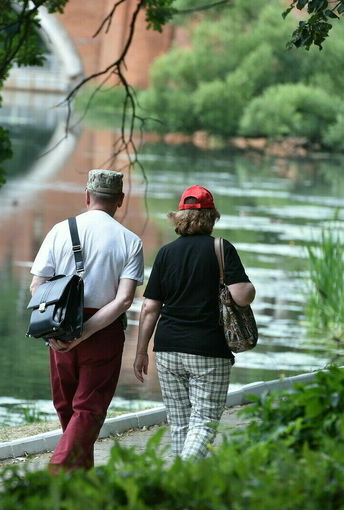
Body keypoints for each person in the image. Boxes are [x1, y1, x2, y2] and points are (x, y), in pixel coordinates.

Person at [30, 169, 144, 472]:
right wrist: (85, 333)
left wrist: (54, 331)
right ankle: (61, 473)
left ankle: (73, 476)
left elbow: (37, 286)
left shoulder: (59, 230)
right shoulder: (130, 241)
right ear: (120, 200)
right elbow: (124, 300)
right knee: (89, 408)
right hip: (104, 330)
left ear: (87, 196)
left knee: (66, 405)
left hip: (60, 324)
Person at [132, 185, 255, 460]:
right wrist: (248, 288)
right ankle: (184, 472)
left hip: (167, 350)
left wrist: (141, 351)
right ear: (212, 217)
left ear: (179, 216)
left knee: (180, 424)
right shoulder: (221, 248)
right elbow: (242, 296)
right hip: (208, 350)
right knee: (203, 423)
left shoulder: (166, 253)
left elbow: (150, 307)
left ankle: (180, 483)